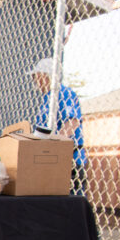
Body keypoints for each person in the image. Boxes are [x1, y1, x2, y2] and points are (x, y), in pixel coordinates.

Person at [29, 57, 86, 195]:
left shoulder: (64, 93)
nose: (34, 80)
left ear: (45, 76)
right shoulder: (47, 98)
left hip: (69, 161)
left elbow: (72, 122)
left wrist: (53, 146)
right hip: (51, 161)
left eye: (36, 76)